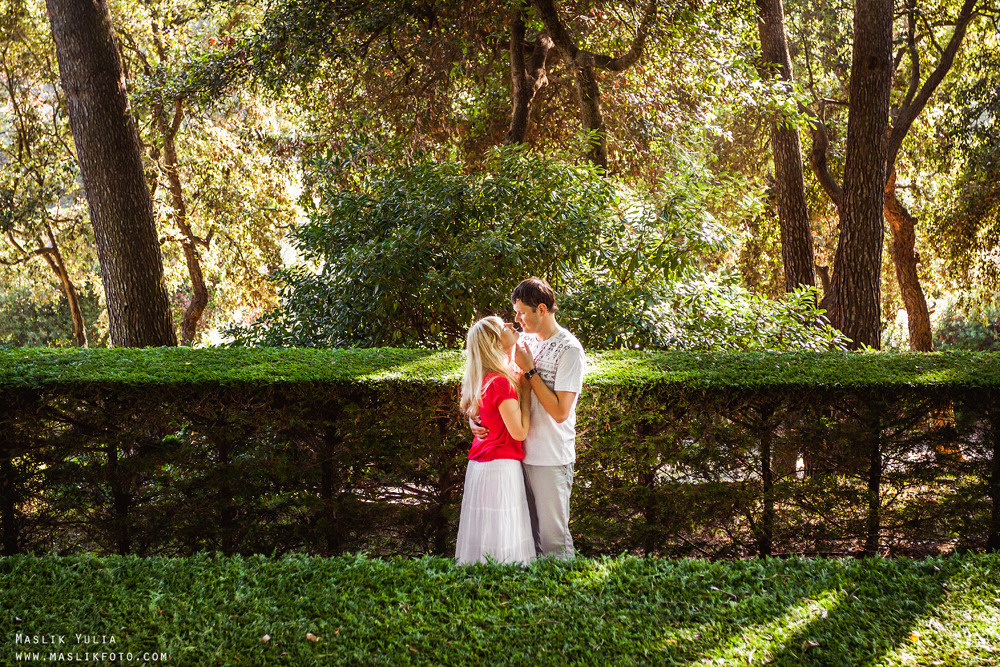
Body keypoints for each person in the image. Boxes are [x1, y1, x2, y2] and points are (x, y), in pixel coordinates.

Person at [472, 278, 585, 560]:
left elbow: (560, 412)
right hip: (516, 455)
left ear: (542, 309)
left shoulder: (570, 350)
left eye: (522, 312)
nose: (517, 319)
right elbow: (495, 382)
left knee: (553, 539)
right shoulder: (525, 342)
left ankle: (564, 596)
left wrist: (530, 371)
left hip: (550, 456)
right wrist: (475, 418)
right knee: (526, 538)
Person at [455, 315, 536, 565]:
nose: (512, 326)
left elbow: (475, 409)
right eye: (504, 327)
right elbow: (519, 433)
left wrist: (472, 419)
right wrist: (525, 391)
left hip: (481, 465)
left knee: (485, 535)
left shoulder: (487, 375)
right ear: (495, 341)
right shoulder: (502, 382)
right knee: (502, 534)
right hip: (499, 467)